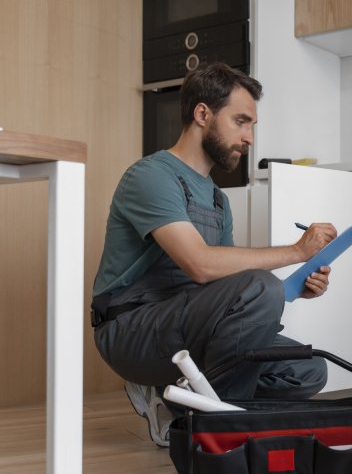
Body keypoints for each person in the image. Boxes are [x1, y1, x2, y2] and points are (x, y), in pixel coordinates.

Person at [91, 62, 337, 447]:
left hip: (189, 323)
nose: (249, 137)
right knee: (259, 287)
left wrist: (296, 287)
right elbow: (200, 264)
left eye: (251, 125)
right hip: (131, 328)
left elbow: (227, 286)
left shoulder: (217, 199)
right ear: (202, 114)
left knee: (307, 371)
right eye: (241, 121)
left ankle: (183, 407)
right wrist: (295, 251)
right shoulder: (151, 176)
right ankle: (218, 438)